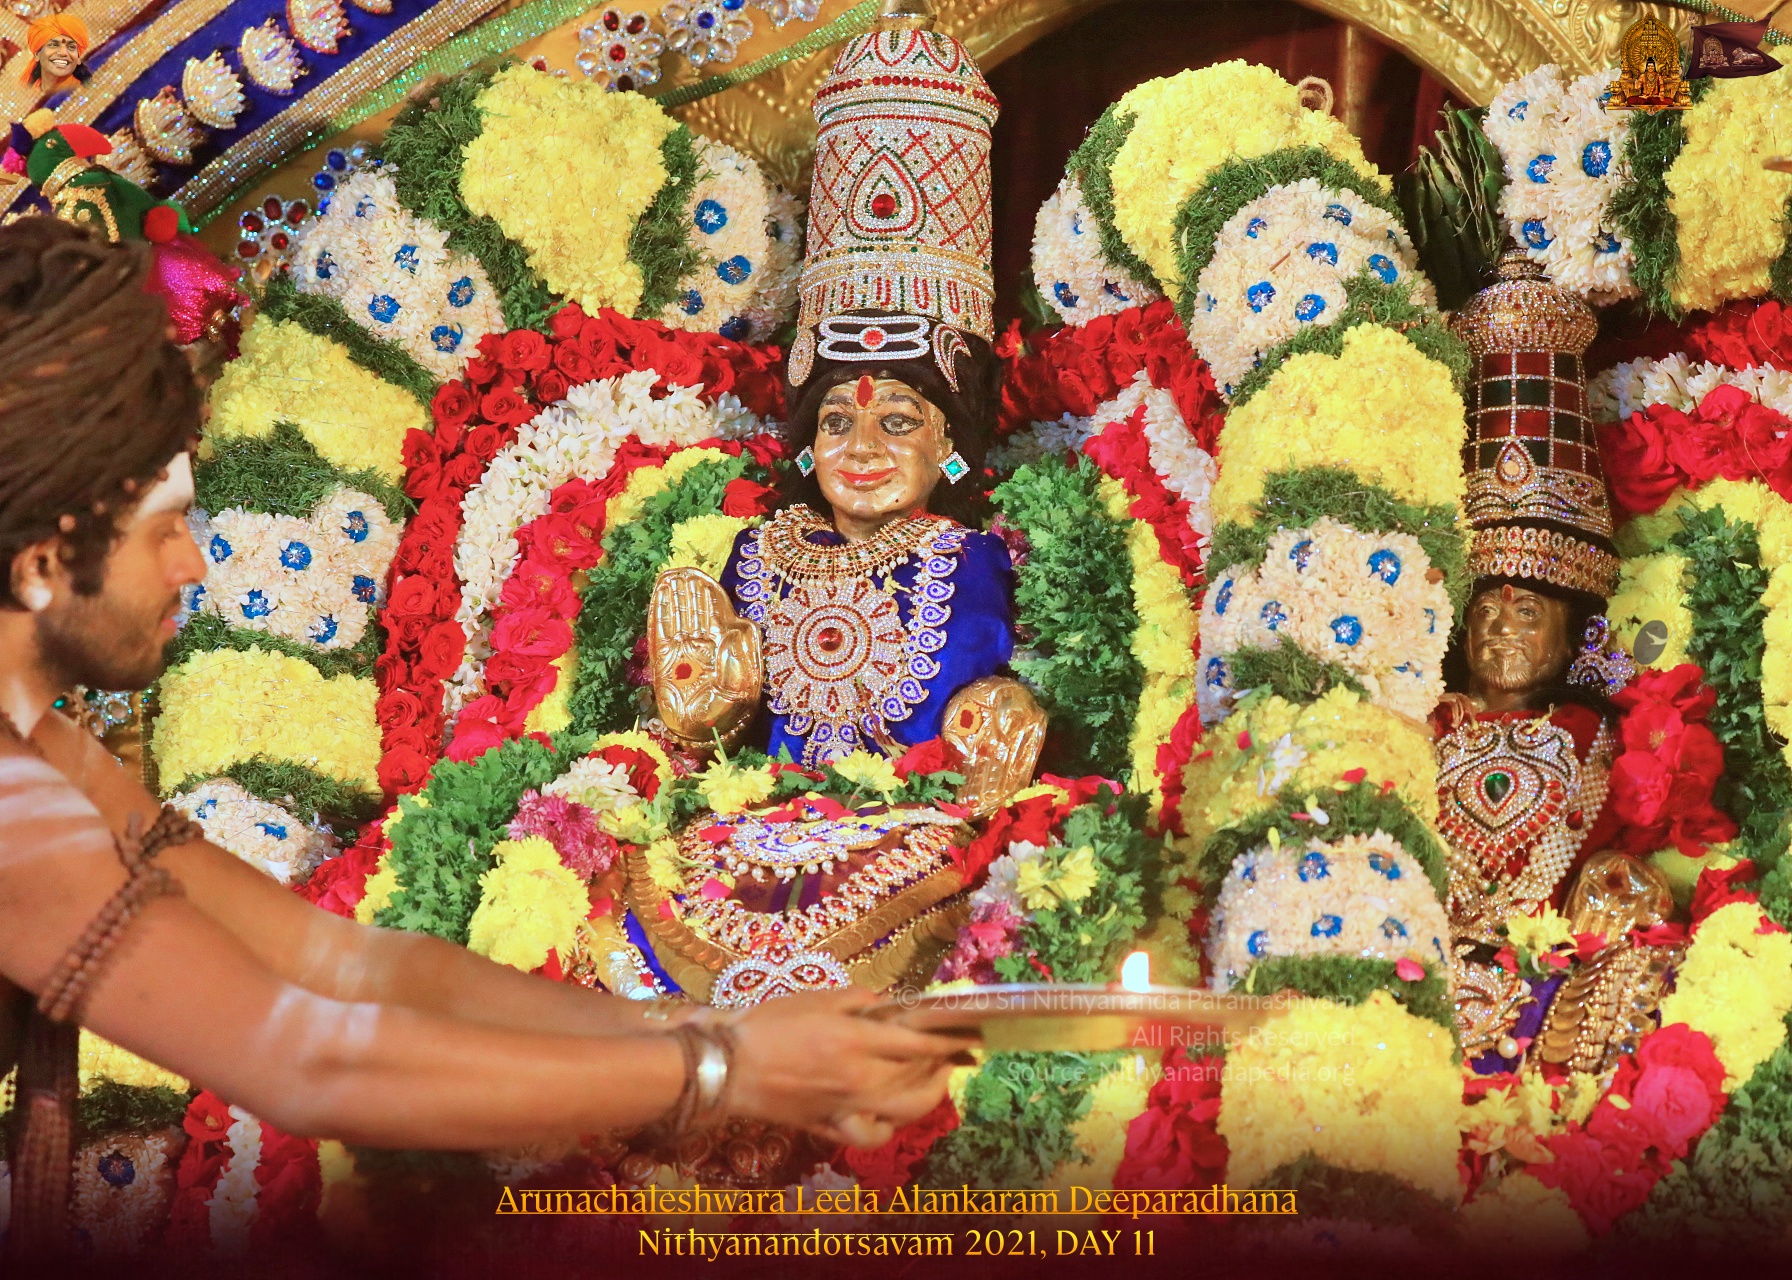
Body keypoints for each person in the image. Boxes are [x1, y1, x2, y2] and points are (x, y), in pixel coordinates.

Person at [0, 217, 968, 1256]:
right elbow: (304, 1060)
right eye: (163, 530)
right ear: (43, 564)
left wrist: (711, 1031)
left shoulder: (46, 753)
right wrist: (723, 1071)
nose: (192, 565)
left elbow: (338, 962)